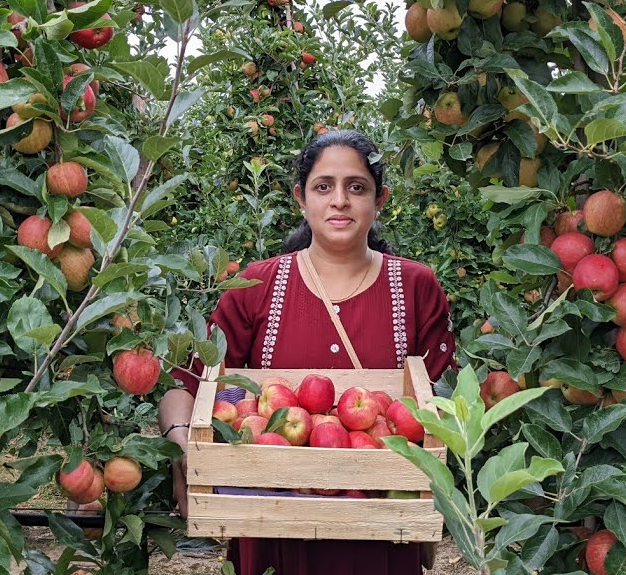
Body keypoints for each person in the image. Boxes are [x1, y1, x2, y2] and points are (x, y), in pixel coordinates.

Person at [157, 129, 457, 575]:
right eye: (323, 186)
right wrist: (186, 446)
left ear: (380, 200)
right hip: (271, 526)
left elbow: (443, 399)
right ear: (301, 198)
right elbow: (188, 384)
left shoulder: (416, 287)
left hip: (380, 531)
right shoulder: (255, 286)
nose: (340, 200)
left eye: (357, 187)